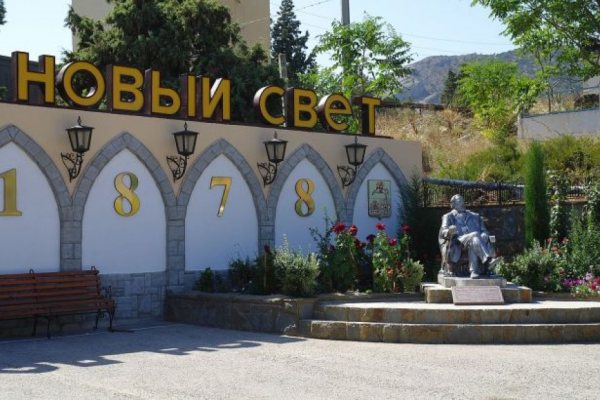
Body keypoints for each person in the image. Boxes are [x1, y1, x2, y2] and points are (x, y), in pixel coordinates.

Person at [438, 194, 499, 278]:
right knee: (475, 234)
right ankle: (488, 260)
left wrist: (484, 235)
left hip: (473, 242)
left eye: (463, 201)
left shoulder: (475, 216)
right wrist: (449, 231)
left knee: (474, 240)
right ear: (453, 204)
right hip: (458, 242)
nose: (462, 203)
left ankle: (474, 272)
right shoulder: (448, 216)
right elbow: (443, 232)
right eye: (460, 201)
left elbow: (485, 231)